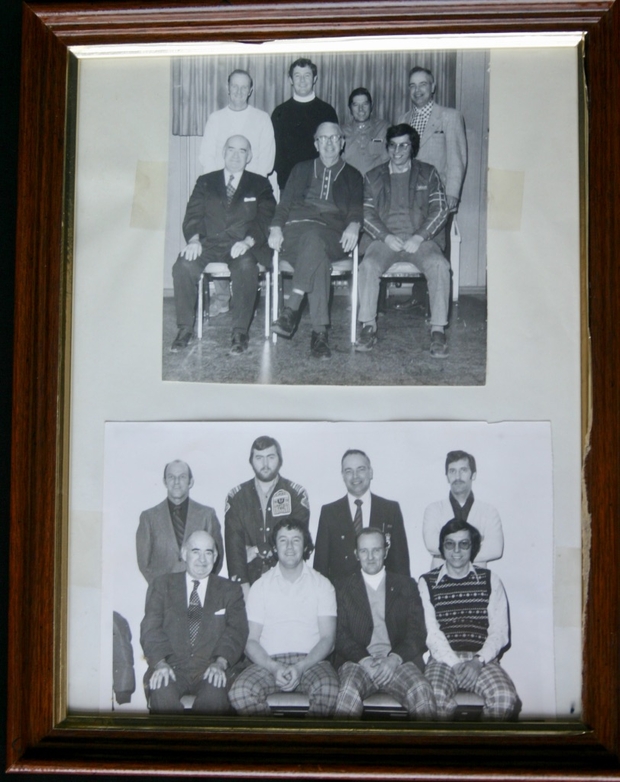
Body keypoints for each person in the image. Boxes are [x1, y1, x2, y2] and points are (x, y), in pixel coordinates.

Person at [170, 135, 276, 356]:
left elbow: (266, 219)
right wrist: (194, 240)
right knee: (183, 265)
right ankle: (184, 329)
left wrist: (248, 241)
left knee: (246, 266)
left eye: (242, 151)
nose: (236, 155)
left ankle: (239, 332)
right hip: (209, 242)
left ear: (250, 156)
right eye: (231, 150)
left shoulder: (260, 184)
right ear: (223, 152)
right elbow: (193, 215)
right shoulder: (205, 181)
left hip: (242, 244)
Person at [268, 122, 363, 359]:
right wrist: (276, 228)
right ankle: (319, 334)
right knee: (316, 252)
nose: (329, 143)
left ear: (342, 142)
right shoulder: (300, 169)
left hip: (333, 234)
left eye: (334, 138)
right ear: (316, 143)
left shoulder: (353, 175)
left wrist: (354, 223)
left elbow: (356, 209)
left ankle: (291, 309)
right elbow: (285, 204)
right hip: (296, 232)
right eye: (323, 138)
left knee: (316, 241)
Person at [355, 123, 451, 358]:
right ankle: (368, 325)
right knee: (367, 266)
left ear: (412, 147)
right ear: (387, 147)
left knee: (440, 265)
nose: (397, 151)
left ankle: (438, 330)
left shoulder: (428, 173)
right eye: (393, 146)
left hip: (421, 241)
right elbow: (365, 214)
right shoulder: (372, 176)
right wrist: (385, 237)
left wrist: (419, 237)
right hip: (383, 241)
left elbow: (440, 209)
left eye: (403, 146)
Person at [229, 519, 339, 716]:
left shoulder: (322, 585)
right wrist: (273, 667)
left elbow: (328, 640)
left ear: (305, 546)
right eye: (283, 540)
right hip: (269, 662)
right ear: (274, 547)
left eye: (296, 540)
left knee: (329, 689)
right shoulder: (260, 587)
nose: (289, 547)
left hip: (311, 663)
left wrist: (301, 667)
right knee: (240, 691)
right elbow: (250, 641)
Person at [418, 520, 520, 720]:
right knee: (432, 698)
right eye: (450, 544)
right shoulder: (427, 582)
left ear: (472, 547)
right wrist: (456, 664)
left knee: (505, 697)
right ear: (442, 547)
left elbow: (500, 632)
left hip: (482, 658)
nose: (456, 550)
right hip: (443, 659)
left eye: (464, 544)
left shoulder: (490, 580)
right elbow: (432, 634)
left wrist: (477, 662)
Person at [140, 531, 248, 714]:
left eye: (208, 552)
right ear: (184, 554)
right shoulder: (162, 585)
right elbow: (150, 629)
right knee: (161, 691)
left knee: (214, 696)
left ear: (215, 556)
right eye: (196, 551)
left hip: (212, 667)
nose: (202, 559)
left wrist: (220, 663)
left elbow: (236, 631)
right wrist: (160, 664)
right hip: (171, 667)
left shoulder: (230, 590)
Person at [334, 528, 436, 719]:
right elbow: (339, 635)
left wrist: (394, 659)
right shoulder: (342, 588)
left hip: (397, 662)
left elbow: (417, 633)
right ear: (356, 554)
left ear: (386, 552)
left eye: (376, 550)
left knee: (422, 690)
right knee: (347, 692)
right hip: (358, 663)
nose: (370, 557)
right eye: (364, 551)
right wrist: (364, 660)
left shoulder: (406, 585)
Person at [198, 70, 276, 317]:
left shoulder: (262, 118)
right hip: (221, 190)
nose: (240, 92)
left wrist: (244, 183)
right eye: (235, 86)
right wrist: (225, 185)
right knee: (216, 236)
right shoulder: (216, 118)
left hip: (251, 192)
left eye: (245, 87)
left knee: (248, 243)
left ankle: (247, 301)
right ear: (227, 88)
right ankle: (221, 298)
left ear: (251, 90)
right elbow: (207, 157)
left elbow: (266, 160)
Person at [396, 65, 467, 313]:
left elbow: (457, 158)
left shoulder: (449, 116)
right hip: (409, 199)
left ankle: (436, 304)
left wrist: (453, 194)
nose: (418, 90)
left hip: (438, 197)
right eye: (413, 86)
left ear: (433, 86)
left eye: (423, 84)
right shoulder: (403, 119)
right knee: (418, 245)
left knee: (437, 248)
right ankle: (419, 296)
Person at [224, 435, 310, 599]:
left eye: (270, 457)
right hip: (248, 582)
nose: (265, 464)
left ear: (280, 459)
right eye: (259, 458)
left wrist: (254, 550)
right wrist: (243, 588)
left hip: (288, 580)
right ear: (251, 461)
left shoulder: (296, 495)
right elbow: (233, 547)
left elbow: (296, 540)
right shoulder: (236, 497)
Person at [313, 449, 410, 584]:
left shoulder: (390, 510)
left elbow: (401, 564)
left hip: (382, 594)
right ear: (342, 475)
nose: (355, 476)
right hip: (342, 597)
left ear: (370, 472)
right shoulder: (329, 513)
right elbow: (320, 566)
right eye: (349, 471)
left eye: (361, 469)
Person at [136, 460, 224, 584]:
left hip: (197, 594)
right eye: (171, 477)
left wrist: (202, 587)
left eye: (182, 477)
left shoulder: (207, 515)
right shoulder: (148, 518)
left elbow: (216, 558)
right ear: (164, 481)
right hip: (162, 595)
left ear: (190, 482)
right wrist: (161, 590)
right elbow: (144, 564)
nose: (176, 482)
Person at [423, 450, 503, 568]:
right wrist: (475, 544)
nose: (457, 476)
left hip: (476, 580)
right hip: (440, 579)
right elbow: (431, 544)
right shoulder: (433, 510)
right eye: (452, 471)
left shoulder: (489, 511)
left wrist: (449, 548)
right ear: (447, 477)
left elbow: (495, 549)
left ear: (473, 475)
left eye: (463, 470)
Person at [271, 58, 339, 191]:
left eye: (307, 76)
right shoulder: (280, 112)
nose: (302, 81)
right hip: (289, 184)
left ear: (314, 79)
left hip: (320, 184)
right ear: (291, 80)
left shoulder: (327, 111)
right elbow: (276, 153)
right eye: (297, 76)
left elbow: (334, 150)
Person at [341, 88, 390, 176]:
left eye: (365, 104)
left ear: (371, 106)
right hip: (350, 185)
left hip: (377, 185)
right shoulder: (341, 131)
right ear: (350, 108)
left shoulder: (385, 128)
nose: (361, 109)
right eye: (356, 105)